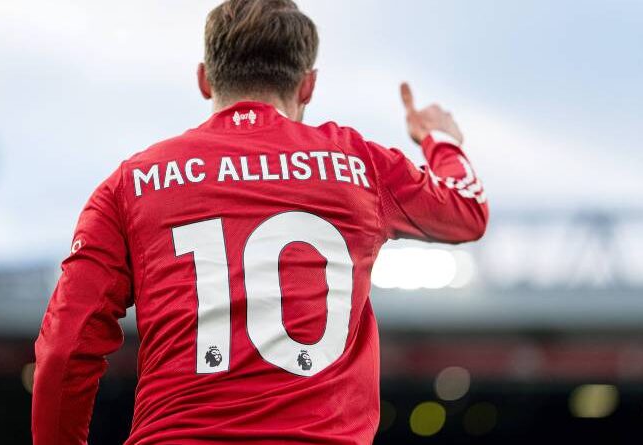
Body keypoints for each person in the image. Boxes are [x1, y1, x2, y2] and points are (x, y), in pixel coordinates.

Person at [31, 0, 488, 443]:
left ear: (204, 79)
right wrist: (439, 140)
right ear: (307, 86)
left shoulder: (131, 184)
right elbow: (467, 210)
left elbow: (66, 347)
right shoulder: (359, 166)